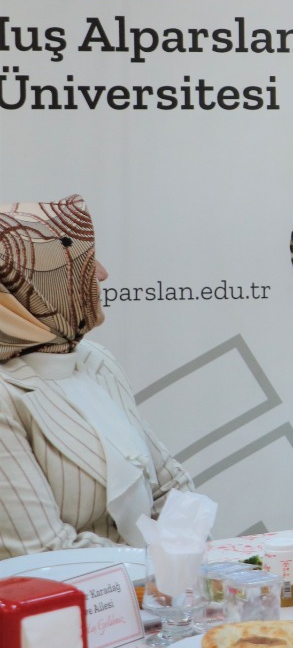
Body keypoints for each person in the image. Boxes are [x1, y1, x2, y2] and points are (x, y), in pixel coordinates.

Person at [0, 196, 192, 560]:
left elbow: (171, 485)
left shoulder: (94, 359)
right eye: (81, 264)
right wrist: (157, 567)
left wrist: (183, 564)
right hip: (75, 594)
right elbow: (43, 552)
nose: (102, 275)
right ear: (30, 284)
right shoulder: (6, 393)